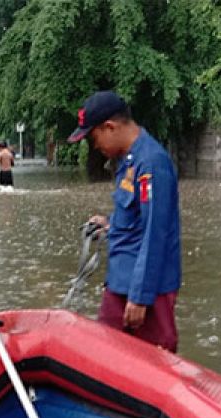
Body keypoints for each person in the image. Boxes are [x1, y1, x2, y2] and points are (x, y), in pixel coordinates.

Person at [67, 90, 181, 351]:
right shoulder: (129, 161)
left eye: (93, 139)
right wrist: (110, 224)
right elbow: (136, 217)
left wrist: (141, 296)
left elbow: (155, 233)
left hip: (143, 292)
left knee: (152, 366)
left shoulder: (151, 163)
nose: (94, 147)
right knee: (106, 357)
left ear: (110, 127)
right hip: (120, 283)